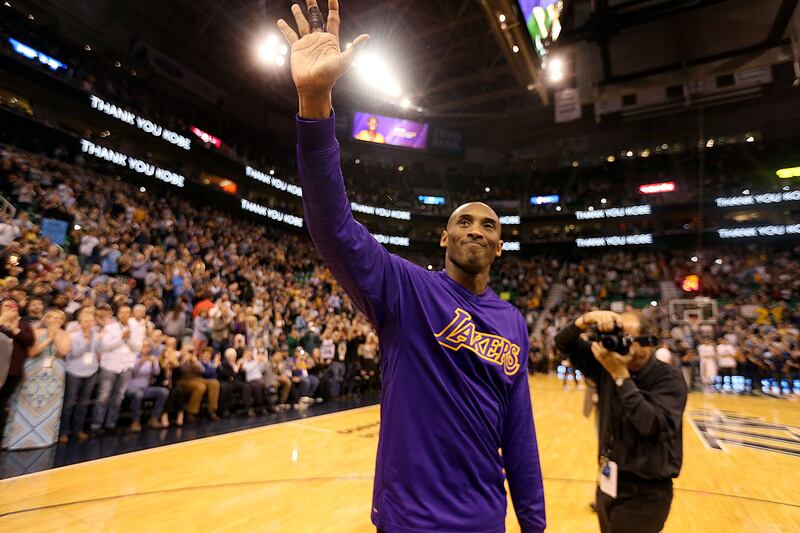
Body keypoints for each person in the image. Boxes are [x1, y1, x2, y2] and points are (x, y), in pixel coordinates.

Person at [277, 3, 545, 531]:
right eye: (464, 221)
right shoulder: (405, 290)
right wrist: (314, 100)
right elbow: (333, 227)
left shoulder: (513, 322)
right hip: (407, 522)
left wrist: (534, 524)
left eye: (488, 226)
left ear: (499, 247)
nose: (475, 229)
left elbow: (519, 435)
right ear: (443, 237)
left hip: (484, 522)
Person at [555, 310, 687, 533]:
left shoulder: (669, 379)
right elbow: (562, 342)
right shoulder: (605, 366)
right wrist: (586, 319)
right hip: (608, 482)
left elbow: (651, 425)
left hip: (645, 493)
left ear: (646, 342)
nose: (617, 345)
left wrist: (620, 376)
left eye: (625, 339)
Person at [3, 310, 70, 449]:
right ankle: (19, 440)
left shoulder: (65, 334)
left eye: (60, 319)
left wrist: (56, 336)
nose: (57, 321)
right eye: (53, 317)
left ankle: (44, 439)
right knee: (25, 401)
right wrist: (49, 339)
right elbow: (32, 352)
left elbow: (63, 352)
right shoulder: (36, 331)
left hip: (55, 372)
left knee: (50, 404)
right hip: (35, 369)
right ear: (47, 319)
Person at [91, 305, 139, 432]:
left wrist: (128, 338)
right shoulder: (110, 327)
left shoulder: (136, 328)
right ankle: (97, 423)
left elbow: (137, 347)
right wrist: (121, 337)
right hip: (110, 365)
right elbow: (105, 346)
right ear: (117, 314)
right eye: (122, 312)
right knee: (104, 395)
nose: (125, 315)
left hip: (126, 366)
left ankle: (111, 423)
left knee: (118, 396)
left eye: (127, 312)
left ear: (131, 315)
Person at [59, 309, 100, 443]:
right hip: (74, 371)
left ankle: (79, 429)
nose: (88, 323)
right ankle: (64, 431)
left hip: (91, 371)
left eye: (90, 321)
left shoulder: (96, 335)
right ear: (80, 322)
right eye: (85, 321)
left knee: (83, 403)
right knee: (70, 403)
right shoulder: (74, 336)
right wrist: (86, 342)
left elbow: (99, 351)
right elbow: (75, 353)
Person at [0, 298, 34, 438]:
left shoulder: (24, 324)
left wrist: (15, 330)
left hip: (13, 370)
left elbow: (29, 341)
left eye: (13, 305)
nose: (10, 308)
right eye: (6, 305)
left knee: (1, 403)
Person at [124, 339, 169, 431]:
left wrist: (153, 364)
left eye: (148, 346)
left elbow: (156, 373)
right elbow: (131, 374)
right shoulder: (133, 357)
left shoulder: (152, 358)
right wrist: (140, 363)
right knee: (138, 394)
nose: (146, 348)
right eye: (144, 346)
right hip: (131, 388)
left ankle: (154, 419)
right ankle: (135, 422)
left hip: (145, 388)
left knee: (163, 392)